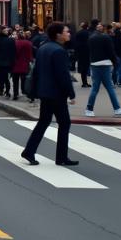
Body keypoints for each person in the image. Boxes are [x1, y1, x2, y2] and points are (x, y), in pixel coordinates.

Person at [22, 21, 80, 167]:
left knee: (43, 122)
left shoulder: (44, 47)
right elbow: (63, 75)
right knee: (64, 123)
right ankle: (61, 157)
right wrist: (71, 93)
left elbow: (37, 71)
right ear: (58, 34)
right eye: (66, 31)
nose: (69, 34)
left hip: (44, 91)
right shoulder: (59, 51)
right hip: (56, 93)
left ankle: (29, 151)